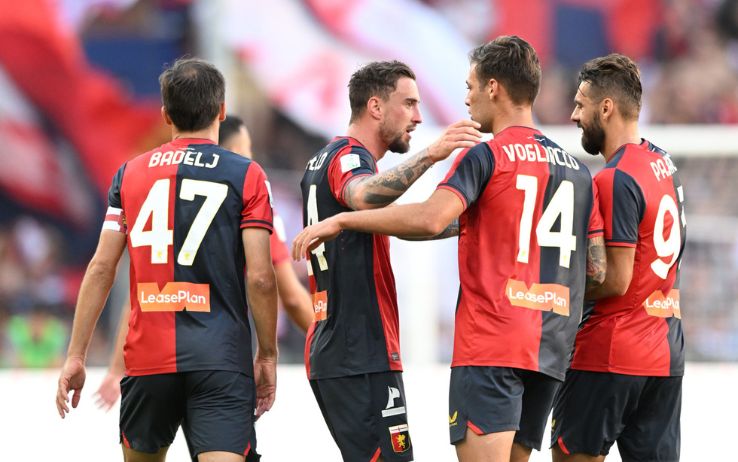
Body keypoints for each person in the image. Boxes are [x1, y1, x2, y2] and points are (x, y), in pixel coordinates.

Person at [292, 36, 606, 462]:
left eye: (470, 87)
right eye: (410, 104)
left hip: (488, 345)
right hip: (549, 350)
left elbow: (429, 218)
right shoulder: (579, 173)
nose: (465, 99)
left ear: (493, 87)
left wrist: (343, 220)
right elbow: (597, 272)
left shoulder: (485, 156)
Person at [55, 58, 278, 462]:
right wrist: (267, 354)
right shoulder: (247, 175)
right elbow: (261, 277)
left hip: (147, 360)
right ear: (221, 110)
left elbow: (101, 268)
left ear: (165, 115)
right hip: (220, 359)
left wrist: (76, 354)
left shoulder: (129, 175)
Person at [299, 59, 481, 461]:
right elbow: (363, 196)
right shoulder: (348, 157)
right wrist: (433, 154)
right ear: (376, 107)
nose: (418, 117)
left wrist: (472, 224)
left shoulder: (327, 160)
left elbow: (399, 221)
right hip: (358, 349)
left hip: (342, 347)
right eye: (409, 103)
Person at [94, 115, 313, 412]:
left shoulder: (164, 199)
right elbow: (288, 295)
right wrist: (326, 343)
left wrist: (115, 368)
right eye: (246, 150)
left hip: (154, 358)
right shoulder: (252, 202)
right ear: (233, 153)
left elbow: (136, 296)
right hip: (220, 358)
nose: (251, 158)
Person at [550, 54, 686, 462]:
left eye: (580, 104)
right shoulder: (663, 164)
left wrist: (555, 291)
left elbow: (615, 280)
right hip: (665, 351)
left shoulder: (614, 178)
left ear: (606, 107)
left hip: (611, 353)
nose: (574, 115)